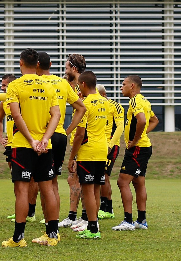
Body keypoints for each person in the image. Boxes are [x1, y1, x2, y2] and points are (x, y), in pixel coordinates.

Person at [0, 49, 60, 248]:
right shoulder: (49, 86)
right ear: (37, 65)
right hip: (45, 146)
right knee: (47, 189)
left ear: (20, 63)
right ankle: (53, 235)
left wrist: (32, 141)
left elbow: (16, 116)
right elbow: (56, 115)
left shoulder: (15, 86)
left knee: (22, 191)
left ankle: (18, 238)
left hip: (23, 145)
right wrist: (44, 139)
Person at [34, 52, 86, 226]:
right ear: (50, 64)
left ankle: (50, 225)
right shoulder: (63, 83)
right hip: (59, 137)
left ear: (37, 65)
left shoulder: (35, 83)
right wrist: (66, 130)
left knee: (44, 184)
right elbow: (81, 108)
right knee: (53, 182)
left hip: (43, 137)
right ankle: (54, 225)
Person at [113, 75, 159, 231]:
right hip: (143, 147)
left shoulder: (135, 101)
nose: (121, 87)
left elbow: (142, 120)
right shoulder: (145, 101)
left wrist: (135, 140)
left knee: (122, 181)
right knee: (138, 182)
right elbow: (155, 120)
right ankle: (141, 220)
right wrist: (142, 135)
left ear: (132, 86)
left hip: (138, 148)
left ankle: (128, 221)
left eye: (123, 84)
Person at [67, 71, 108, 239]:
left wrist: (71, 157)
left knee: (88, 191)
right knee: (96, 189)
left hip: (88, 152)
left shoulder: (85, 104)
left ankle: (92, 229)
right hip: (102, 150)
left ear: (83, 84)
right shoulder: (105, 102)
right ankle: (94, 223)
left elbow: (79, 134)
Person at [61, 53, 88, 229]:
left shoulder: (83, 87)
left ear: (74, 69)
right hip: (79, 137)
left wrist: (67, 132)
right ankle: (73, 216)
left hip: (86, 138)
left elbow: (84, 112)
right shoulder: (73, 86)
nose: (64, 71)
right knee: (73, 178)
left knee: (85, 180)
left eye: (66, 68)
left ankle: (86, 217)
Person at [97, 84, 124, 219]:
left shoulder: (116, 106)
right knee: (100, 175)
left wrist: (110, 144)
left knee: (104, 174)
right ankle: (106, 207)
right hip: (97, 145)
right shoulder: (96, 106)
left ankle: (107, 208)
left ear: (102, 95)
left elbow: (120, 127)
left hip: (110, 146)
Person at [0, 74, 16, 221]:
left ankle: (30, 211)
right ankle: (21, 208)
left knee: (31, 180)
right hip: (10, 144)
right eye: (1, 85)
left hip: (24, 144)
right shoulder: (3, 103)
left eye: (4, 85)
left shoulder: (21, 100)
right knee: (15, 178)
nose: (2, 88)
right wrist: (0, 136)